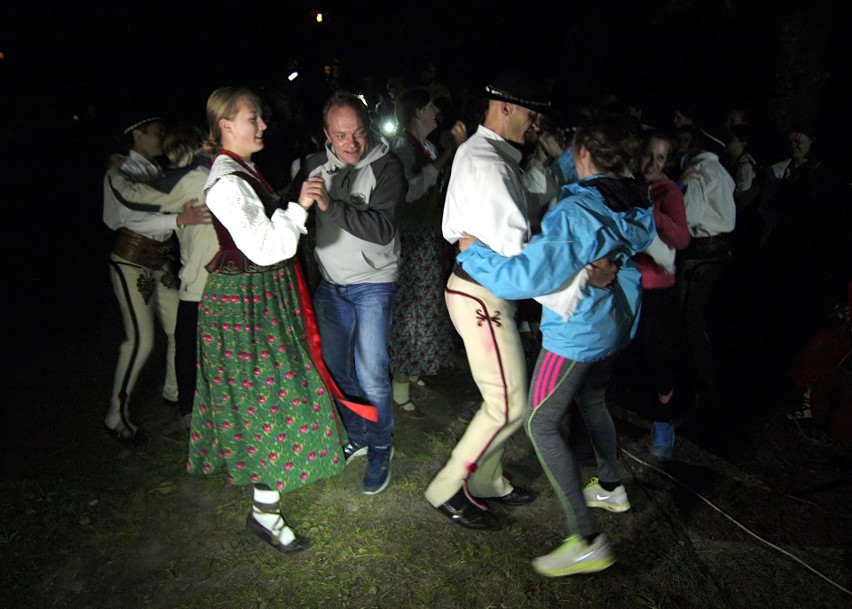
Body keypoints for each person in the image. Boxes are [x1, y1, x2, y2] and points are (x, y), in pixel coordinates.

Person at [456, 115, 656, 576]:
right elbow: (612, 206)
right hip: (616, 322)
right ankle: (610, 485)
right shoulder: (633, 198)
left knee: (541, 424)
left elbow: (527, 276)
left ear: (584, 153)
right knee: (591, 397)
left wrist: (473, 252)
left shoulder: (576, 214)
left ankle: (586, 540)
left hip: (577, 332)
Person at [425, 72, 617, 530]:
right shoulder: (489, 161)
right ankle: (447, 487)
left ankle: (489, 478)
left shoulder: (487, 153)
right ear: (504, 107)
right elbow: (520, 258)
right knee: (509, 404)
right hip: (480, 295)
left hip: (480, 291)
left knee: (509, 399)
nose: (535, 125)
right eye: (531, 115)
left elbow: (512, 233)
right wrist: (577, 278)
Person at [186, 86, 346, 553]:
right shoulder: (226, 181)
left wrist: (297, 199)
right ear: (225, 126)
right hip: (244, 309)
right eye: (252, 119)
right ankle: (265, 512)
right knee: (267, 400)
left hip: (259, 298)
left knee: (277, 394)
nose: (262, 126)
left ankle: (265, 506)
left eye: (260, 118)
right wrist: (298, 206)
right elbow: (266, 247)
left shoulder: (240, 170)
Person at [298, 92, 406, 495]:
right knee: (336, 369)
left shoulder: (386, 166)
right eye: (342, 135)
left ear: (369, 128)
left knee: (372, 372)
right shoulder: (312, 166)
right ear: (327, 134)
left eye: (359, 133)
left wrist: (328, 204)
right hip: (331, 284)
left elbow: (381, 229)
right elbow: (293, 211)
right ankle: (360, 434)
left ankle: (382, 447)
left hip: (374, 281)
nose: (352, 144)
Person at [102, 114, 209, 442]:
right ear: (136, 135)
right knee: (140, 339)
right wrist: (179, 218)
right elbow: (124, 221)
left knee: (179, 326)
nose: (161, 139)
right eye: (156, 133)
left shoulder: (155, 171)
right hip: (131, 262)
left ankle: (174, 395)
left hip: (159, 262)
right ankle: (115, 413)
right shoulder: (120, 173)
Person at [388, 88, 467, 418]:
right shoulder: (403, 147)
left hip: (427, 235)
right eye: (431, 105)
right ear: (418, 111)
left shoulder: (426, 146)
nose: (437, 110)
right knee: (412, 311)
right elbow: (412, 191)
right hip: (411, 238)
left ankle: (415, 368)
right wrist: (450, 152)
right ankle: (400, 383)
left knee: (425, 306)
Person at [631, 132, 691, 457]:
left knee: (658, 356)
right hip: (627, 284)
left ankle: (664, 422)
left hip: (656, 290)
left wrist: (651, 211)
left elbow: (682, 239)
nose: (653, 163)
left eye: (661, 158)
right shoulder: (628, 183)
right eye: (649, 155)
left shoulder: (667, 192)